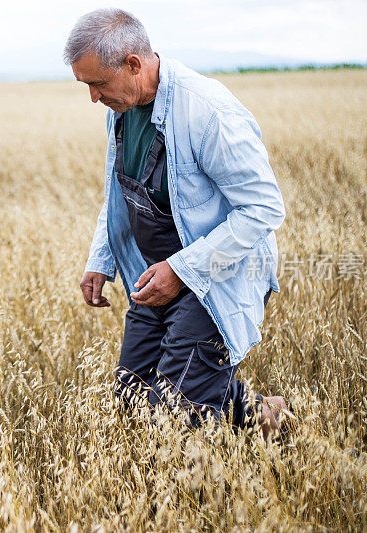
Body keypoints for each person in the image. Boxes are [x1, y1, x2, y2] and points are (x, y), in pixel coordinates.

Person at [64, 8, 292, 439]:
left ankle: (203, 498)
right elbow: (120, 194)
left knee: (173, 412)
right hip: (155, 277)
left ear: (133, 64)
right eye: (85, 85)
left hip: (214, 280)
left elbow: (263, 208)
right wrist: (102, 258)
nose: (93, 97)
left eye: (97, 83)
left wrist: (182, 270)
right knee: (132, 400)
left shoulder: (209, 112)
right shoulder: (123, 107)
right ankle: (268, 416)